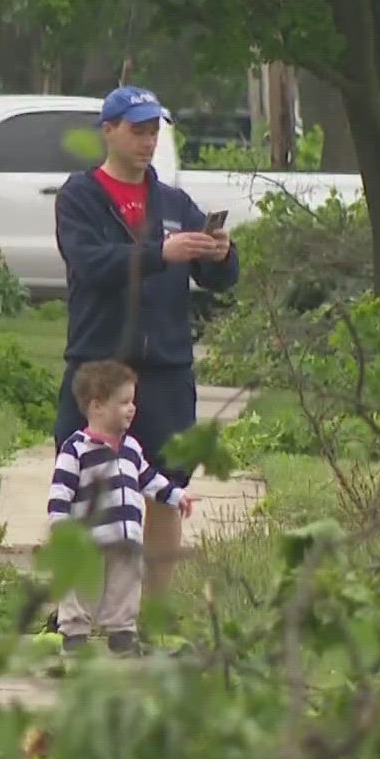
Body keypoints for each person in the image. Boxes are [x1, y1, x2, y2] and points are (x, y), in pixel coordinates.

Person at [51, 85, 238, 638]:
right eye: (138, 129)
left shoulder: (176, 204)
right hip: (100, 362)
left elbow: (218, 280)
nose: (148, 140)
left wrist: (221, 254)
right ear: (108, 130)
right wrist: (160, 253)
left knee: (164, 488)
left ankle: (148, 618)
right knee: (86, 488)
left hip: (166, 368)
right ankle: (75, 617)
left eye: (155, 130)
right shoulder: (80, 197)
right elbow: (90, 263)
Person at [47, 360, 197, 656]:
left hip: (126, 536)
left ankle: (122, 633)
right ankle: (74, 631)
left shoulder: (131, 447)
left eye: (133, 402)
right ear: (97, 406)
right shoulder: (76, 449)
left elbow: (147, 478)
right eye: (124, 402)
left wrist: (175, 495)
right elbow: (61, 489)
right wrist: (60, 522)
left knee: (125, 584)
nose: (132, 409)